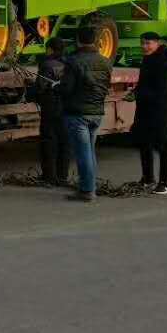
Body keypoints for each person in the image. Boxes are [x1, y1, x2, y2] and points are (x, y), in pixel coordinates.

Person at [58, 24, 113, 203]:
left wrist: (56, 86)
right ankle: (89, 186)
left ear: (78, 40)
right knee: (89, 152)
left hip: (77, 113)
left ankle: (87, 191)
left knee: (83, 154)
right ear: (96, 41)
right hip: (96, 112)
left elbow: (67, 89)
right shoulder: (106, 62)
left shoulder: (73, 62)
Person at [130, 32, 167, 195]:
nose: (144, 46)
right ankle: (148, 178)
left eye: (148, 43)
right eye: (142, 43)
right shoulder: (147, 59)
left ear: (157, 43)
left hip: (160, 110)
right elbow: (144, 83)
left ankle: (165, 183)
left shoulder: (164, 61)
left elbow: (162, 88)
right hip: (145, 109)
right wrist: (135, 92)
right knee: (144, 144)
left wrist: (141, 94)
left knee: (163, 146)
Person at [33, 37, 72, 186]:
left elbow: (41, 87)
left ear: (50, 49)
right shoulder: (70, 64)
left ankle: (49, 177)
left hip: (50, 106)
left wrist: (31, 90)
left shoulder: (47, 64)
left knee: (48, 140)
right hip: (66, 106)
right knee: (64, 141)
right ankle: (62, 177)